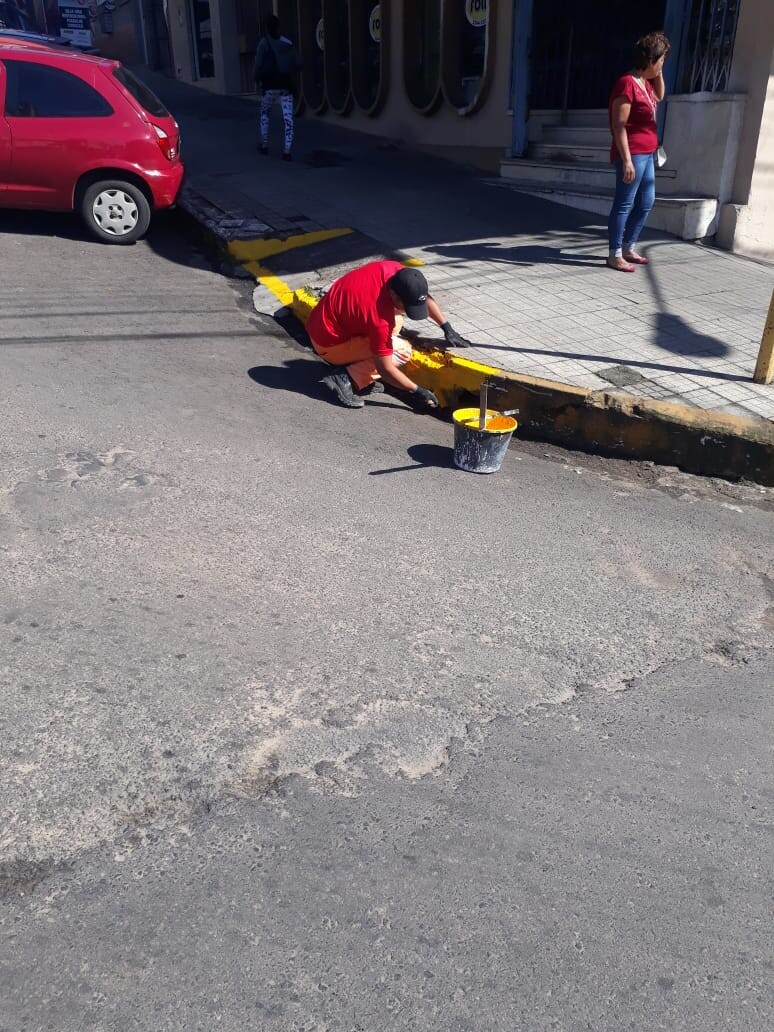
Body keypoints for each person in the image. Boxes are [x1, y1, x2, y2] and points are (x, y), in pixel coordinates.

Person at [306, 259, 471, 410]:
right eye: (407, 306)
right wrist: (417, 390)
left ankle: (357, 370)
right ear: (394, 295)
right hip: (328, 344)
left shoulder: (394, 271)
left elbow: (420, 295)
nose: (409, 311)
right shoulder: (380, 319)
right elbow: (384, 368)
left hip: (323, 322)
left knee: (397, 321)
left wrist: (447, 328)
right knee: (402, 351)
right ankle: (346, 378)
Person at [606, 31, 670, 273]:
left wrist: (658, 72)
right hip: (632, 154)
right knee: (624, 203)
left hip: (648, 152)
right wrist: (626, 161)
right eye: (661, 60)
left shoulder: (646, 82)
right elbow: (619, 125)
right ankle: (614, 254)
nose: (663, 65)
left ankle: (628, 247)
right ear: (650, 60)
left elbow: (660, 96)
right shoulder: (627, 83)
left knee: (646, 202)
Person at [254, 14, 300, 162]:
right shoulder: (287, 43)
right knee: (288, 119)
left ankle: (264, 145)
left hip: (270, 87)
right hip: (285, 86)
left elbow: (258, 65)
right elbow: (298, 63)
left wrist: (257, 81)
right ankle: (287, 151)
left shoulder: (264, 43)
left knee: (264, 114)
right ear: (279, 27)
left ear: (267, 28)